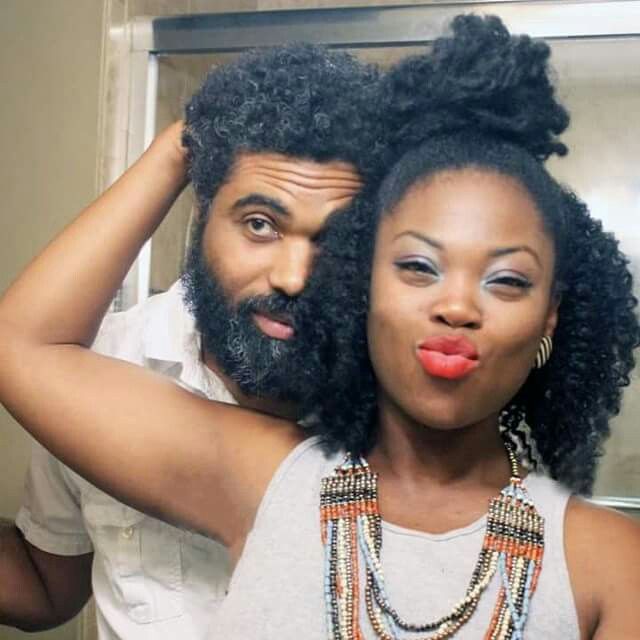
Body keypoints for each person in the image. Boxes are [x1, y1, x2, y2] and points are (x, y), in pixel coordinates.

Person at [0, 15, 639, 639]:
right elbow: (22, 352)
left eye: (506, 279)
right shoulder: (273, 475)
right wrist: (196, 134)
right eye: (419, 266)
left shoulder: (608, 561)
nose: (457, 307)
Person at [0, 43, 385, 637]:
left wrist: (179, 145)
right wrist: (200, 138)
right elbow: (49, 586)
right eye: (260, 224)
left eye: (336, 244)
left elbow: (17, 345)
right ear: (202, 211)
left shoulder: (400, 412)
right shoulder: (101, 361)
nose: (295, 277)